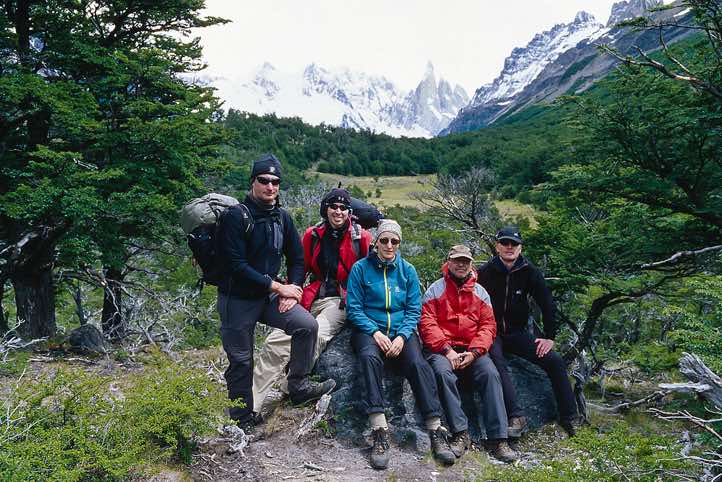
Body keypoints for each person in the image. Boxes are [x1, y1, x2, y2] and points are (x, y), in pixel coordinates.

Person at [215, 153, 335, 430]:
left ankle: (298, 384)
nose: (270, 187)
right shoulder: (236, 217)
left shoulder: (281, 217)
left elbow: (297, 258)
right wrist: (277, 286)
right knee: (242, 360)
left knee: (306, 325)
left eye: (275, 182)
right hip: (237, 298)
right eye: (264, 180)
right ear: (252, 182)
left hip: (268, 296)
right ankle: (241, 418)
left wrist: (289, 291)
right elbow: (235, 266)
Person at [346, 219, 456, 470]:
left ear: (399, 243)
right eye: (384, 240)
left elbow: (413, 309)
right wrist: (374, 332)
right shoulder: (361, 269)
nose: (389, 245)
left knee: (418, 364)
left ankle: (435, 429)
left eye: (394, 241)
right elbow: (353, 308)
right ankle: (379, 429)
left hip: (400, 332)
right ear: (375, 242)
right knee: (369, 359)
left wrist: (402, 336)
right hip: (368, 330)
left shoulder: (407, 270)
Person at [252, 187, 372, 412]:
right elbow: (300, 266)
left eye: (343, 207)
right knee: (274, 341)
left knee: (316, 331)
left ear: (349, 211)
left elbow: (370, 273)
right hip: (312, 294)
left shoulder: (361, 238)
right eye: (333, 207)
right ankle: (251, 405)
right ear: (325, 209)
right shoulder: (313, 235)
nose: (338, 212)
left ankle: (291, 386)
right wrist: (290, 291)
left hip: (342, 300)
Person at [419, 245, 519, 463]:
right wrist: (447, 350)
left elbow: (488, 326)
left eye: (465, 261)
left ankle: (498, 439)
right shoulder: (435, 290)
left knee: (491, 374)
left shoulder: (480, 293)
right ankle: (460, 433)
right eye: (457, 260)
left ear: (471, 264)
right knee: (443, 374)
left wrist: (474, 352)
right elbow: (427, 324)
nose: (461, 264)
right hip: (442, 350)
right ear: (448, 262)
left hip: (472, 349)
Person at [477, 226, 578, 437]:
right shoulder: (484, 272)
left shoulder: (529, 271)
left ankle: (570, 417)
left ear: (520, 248)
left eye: (514, 244)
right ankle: (517, 415)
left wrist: (550, 337)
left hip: (517, 332)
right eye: (505, 243)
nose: (509, 247)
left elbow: (547, 304)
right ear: (497, 246)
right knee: (497, 362)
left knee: (554, 361)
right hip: (491, 331)